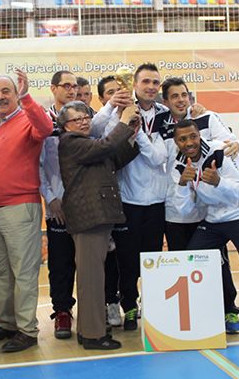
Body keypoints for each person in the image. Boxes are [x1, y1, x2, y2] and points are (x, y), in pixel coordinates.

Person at [171, 119, 239, 349]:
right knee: (191, 260)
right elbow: (185, 209)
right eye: (183, 139)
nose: (189, 142)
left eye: (192, 136)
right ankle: (201, 320)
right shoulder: (179, 164)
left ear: (199, 135)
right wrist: (183, 186)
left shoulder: (220, 151)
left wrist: (219, 182)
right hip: (215, 219)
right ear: (176, 142)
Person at [159, 77, 239, 333]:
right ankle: (191, 317)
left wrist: (236, 144)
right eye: (175, 96)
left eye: (184, 95)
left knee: (219, 263)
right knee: (183, 266)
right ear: (166, 102)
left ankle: (228, 309)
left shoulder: (207, 118)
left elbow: (230, 144)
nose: (181, 100)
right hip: (176, 211)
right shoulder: (159, 127)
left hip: (208, 211)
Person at [0, 70, 52, 353]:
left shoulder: (27, 119)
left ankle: (27, 330)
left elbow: (45, 129)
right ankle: (6, 323)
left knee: (23, 272)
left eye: (5, 91)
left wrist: (26, 98)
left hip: (20, 208)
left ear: (16, 94)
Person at [57, 101, 139, 350]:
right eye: (76, 119)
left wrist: (132, 133)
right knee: (92, 278)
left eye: (85, 117)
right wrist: (123, 121)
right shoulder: (71, 141)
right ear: (65, 126)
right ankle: (93, 335)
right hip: (89, 217)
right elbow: (106, 146)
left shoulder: (89, 145)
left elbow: (114, 158)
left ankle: (87, 330)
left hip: (97, 216)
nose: (83, 121)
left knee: (92, 276)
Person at [102, 63, 169, 331]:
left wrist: (137, 133)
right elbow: (103, 138)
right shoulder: (123, 111)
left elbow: (158, 158)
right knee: (127, 262)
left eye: (155, 82)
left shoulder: (164, 115)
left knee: (151, 259)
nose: (151, 87)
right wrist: (118, 113)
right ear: (135, 85)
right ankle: (129, 306)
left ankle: (152, 307)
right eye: (146, 82)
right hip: (128, 201)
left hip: (157, 202)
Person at [40, 70, 79, 339]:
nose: (72, 91)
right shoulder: (43, 121)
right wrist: (51, 198)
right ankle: (62, 311)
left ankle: (94, 307)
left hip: (84, 203)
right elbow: (38, 163)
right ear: (54, 88)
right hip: (57, 205)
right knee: (60, 262)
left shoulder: (84, 116)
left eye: (75, 86)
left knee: (89, 260)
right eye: (66, 86)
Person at [94, 74, 124, 327]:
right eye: (110, 92)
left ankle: (131, 303)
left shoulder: (138, 114)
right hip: (106, 200)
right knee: (107, 256)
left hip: (135, 201)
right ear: (103, 98)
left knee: (127, 256)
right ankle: (109, 302)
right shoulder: (97, 121)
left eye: (120, 90)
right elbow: (96, 132)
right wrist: (113, 108)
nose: (117, 94)